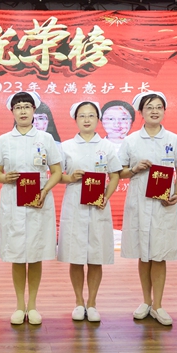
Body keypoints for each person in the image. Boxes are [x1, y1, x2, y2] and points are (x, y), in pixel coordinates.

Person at [0, 91, 62, 325]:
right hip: (13, 200)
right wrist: (5, 178)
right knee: (16, 255)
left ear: (34, 110)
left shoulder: (46, 139)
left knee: (34, 255)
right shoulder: (4, 140)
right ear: (12, 111)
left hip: (38, 202)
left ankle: (32, 305)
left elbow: (56, 172)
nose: (22, 111)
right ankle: (18, 305)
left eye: (26, 106)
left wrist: (44, 191)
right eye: (18, 107)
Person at [119, 91, 177, 326]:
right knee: (144, 254)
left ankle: (158, 305)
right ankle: (146, 301)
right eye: (149, 107)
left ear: (164, 111)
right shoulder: (131, 141)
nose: (155, 111)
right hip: (139, 203)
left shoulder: (174, 140)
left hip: (163, 204)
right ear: (141, 112)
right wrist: (134, 169)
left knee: (159, 255)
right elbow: (119, 172)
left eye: (159, 107)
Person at [58, 100, 121, 323]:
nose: (86, 119)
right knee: (75, 257)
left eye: (91, 115)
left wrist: (106, 197)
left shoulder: (107, 146)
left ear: (98, 119)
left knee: (96, 257)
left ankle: (92, 303)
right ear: (75, 119)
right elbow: (57, 175)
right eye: (82, 115)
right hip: (74, 203)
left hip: (98, 206)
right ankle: (78, 302)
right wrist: (70, 177)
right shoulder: (65, 146)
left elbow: (115, 175)